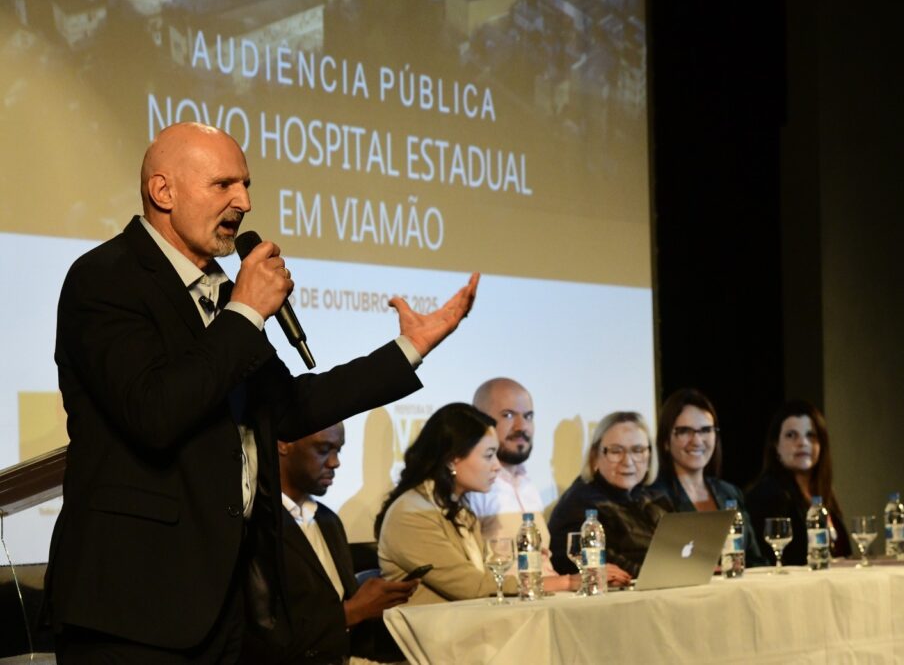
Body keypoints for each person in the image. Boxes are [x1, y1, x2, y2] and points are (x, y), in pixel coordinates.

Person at [46, 122, 478, 661]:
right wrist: (247, 311)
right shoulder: (106, 278)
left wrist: (409, 348)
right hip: (135, 608)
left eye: (246, 185)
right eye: (223, 185)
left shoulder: (224, 295)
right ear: (163, 191)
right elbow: (154, 412)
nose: (244, 202)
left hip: (227, 610)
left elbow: (288, 409)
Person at [241, 422, 416, 664]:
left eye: (338, 450)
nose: (335, 462)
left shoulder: (328, 520)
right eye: (323, 449)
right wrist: (353, 611)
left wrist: (375, 603)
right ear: (283, 444)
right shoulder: (256, 526)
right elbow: (263, 640)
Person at [375, 403, 577, 604]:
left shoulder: (459, 509)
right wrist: (563, 582)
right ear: (452, 460)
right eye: (489, 455)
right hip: (434, 623)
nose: (497, 466)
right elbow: (473, 587)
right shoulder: (411, 516)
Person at [548, 412, 672, 578]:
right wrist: (665, 576)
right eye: (616, 451)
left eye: (637, 450)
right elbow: (608, 565)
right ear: (595, 456)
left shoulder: (656, 498)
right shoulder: (579, 504)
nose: (628, 461)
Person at [651, 388, 766, 567]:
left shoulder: (730, 493)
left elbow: (755, 560)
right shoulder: (653, 498)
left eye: (705, 430)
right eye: (684, 431)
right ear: (665, 441)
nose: (697, 440)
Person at [464, 378, 557, 576]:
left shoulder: (528, 485)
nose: (521, 426)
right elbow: (473, 575)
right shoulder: (472, 488)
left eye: (528, 416)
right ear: (479, 421)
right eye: (508, 415)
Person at [746, 399, 852, 566]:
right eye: (791, 435)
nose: (802, 443)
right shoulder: (767, 495)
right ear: (776, 446)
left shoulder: (822, 494)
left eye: (811, 435)